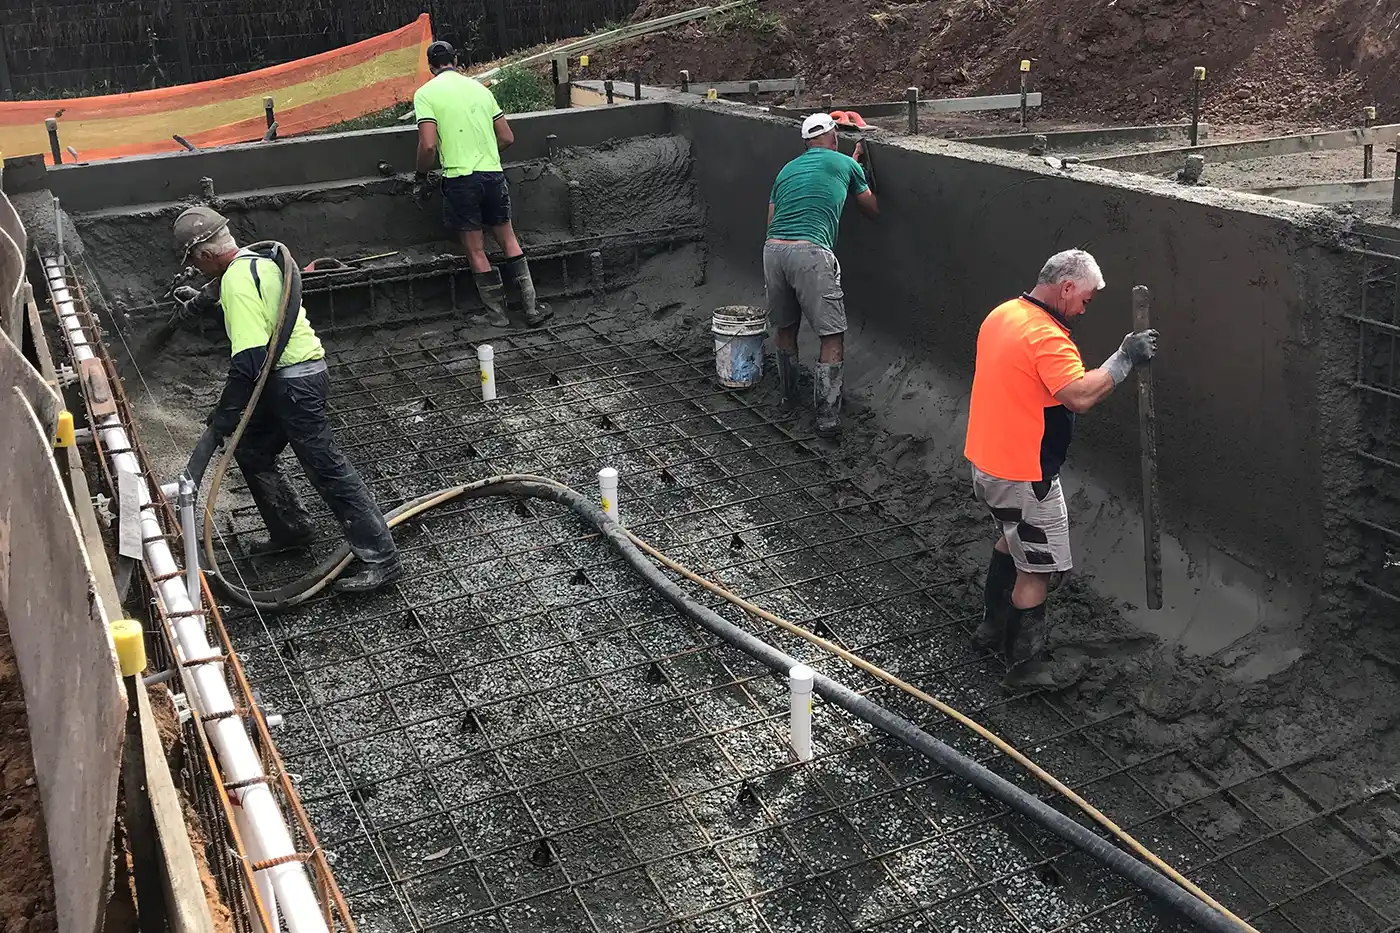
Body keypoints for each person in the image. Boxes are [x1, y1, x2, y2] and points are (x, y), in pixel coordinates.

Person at [172, 206, 402, 594]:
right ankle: (291, 529)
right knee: (252, 450)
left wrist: (226, 415)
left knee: (326, 467)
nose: (197, 269)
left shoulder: (236, 282)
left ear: (205, 255)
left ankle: (382, 559)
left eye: (195, 262)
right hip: (290, 377)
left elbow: (249, 360)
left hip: (294, 383)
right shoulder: (260, 263)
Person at [963, 249, 1158, 683]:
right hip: (1023, 473)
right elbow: (1080, 394)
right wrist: (1124, 358)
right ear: (1067, 287)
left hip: (988, 463)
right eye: (1085, 299)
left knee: (1011, 539)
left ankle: (991, 628)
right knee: (1038, 568)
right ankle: (1023, 667)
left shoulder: (1004, 314)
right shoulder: (1046, 335)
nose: (1085, 309)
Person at [414, 39, 551, 329]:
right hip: (493, 175)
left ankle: (497, 315)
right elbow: (507, 137)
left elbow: (427, 146)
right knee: (508, 239)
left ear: (430, 67)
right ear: (456, 60)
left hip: (461, 180)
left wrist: (421, 175)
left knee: (476, 249)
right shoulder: (479, 89)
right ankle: (531, 308)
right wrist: (485, 153)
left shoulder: (426, 94)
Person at [765, 112, 879, 438]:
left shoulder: (787, 170)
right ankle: (827, 418)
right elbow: (872, 210)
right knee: (831, 335)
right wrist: (858, 173)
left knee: (785, 327)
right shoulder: (844, 164)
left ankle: (787, 398)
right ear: (833, 138)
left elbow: (772, 219)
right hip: (810, 252)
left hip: (773, 251)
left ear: (806, 143)